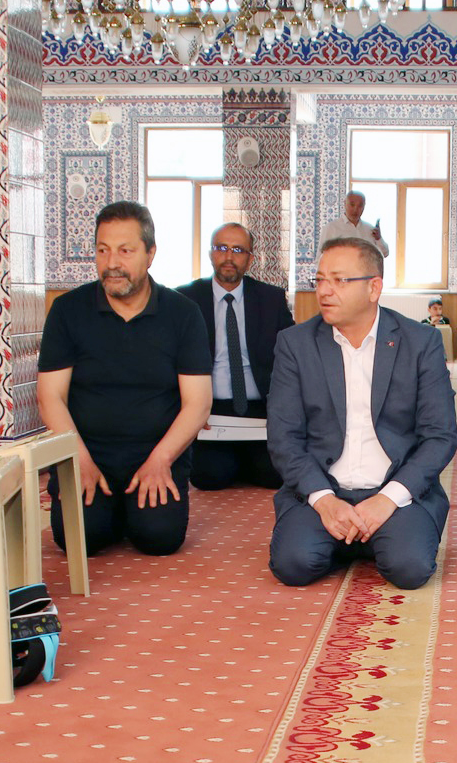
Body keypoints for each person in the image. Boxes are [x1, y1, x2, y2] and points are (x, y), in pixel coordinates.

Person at [266, 235, 457, 591]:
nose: (324, 290)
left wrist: (387, 499)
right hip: (323, 488)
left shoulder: (420, 343)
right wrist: (324, 501)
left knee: (409, 569)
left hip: (395, 491)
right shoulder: (295, 344)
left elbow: (440, 435)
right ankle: (345, 535)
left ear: (374, 288)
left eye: (339, 280)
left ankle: (369, 536)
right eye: (320, 279)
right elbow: (284, 437)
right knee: (293, 565)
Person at [37, 201, 212, 556]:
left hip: (157, 451)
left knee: (159, 539)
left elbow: (198, 402)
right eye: (103, 250)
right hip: (87, 451)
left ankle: (129, 511)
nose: (112, 262)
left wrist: (162, 459)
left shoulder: (183, 314)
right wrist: (77, 461)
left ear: (150, 254)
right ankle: (111, 511)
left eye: (125, 251)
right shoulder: (68, 310)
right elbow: (49, 396)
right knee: (79, 540)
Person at [177, 222, 295, 491]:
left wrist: (283, 410)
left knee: (274, 477)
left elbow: (292, 357)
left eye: (238, 250)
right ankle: (234, 460)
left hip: (259, 412)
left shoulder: (271, 298)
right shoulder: (186, 299)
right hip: (209, 410)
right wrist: (189, 409)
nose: (229, 257)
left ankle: (245, 458)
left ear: (250, 259)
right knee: (209, 478)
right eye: (221, 248)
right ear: (210, 253)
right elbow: (169, 361)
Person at [319, 190, 390, 259]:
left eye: (360, 205)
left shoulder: (370, 229)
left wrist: (379, 238)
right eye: (352, 204)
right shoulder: (331, 228)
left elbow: (385, 253)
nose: (355, 209)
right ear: (345, 203)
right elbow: (320, 257)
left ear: (364, 206)